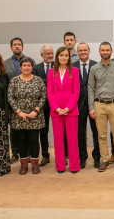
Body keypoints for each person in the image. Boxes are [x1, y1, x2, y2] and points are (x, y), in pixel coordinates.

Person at [88, 41, 114, 172]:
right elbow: (91, 88)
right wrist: (91, 107)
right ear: (99, 52)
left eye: (107, 50)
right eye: (102, 50)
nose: (105, 52)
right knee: (101, 135)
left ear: (111, 51)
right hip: (99, 104)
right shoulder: (94, 68)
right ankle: (104, 160)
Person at [8, 57, 47, 175]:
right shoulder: (14, 81)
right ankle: (24, 165)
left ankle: (35, 165)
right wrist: (19, 112)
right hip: (19, 117)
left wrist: (36, 110)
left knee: (34, 141)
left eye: (29, 65)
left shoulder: (38, 80)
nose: (26, 67)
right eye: (24, 65)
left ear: (32, 67)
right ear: (20, 67)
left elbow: (43, 96)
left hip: (35, 117)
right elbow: (10, 97)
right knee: (21, 141)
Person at [47, 46, 81, 174]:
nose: (64, 58)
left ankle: (74, 166)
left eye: (66, 55)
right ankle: (60, 166)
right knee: (58, 140)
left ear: (69, 57)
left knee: (72, 139)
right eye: (61, 55)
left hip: (71, 110)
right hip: (56, 111)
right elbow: (49, 92)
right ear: (57, 57)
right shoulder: (51, 72)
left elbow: (76, 92)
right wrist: (56, 108)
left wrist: (68, 108)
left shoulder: (75, 71)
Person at [4, 37, 35, 164]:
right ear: (11, 48)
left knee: (28, 128)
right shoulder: (5, 63)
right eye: (14, 45)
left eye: (19, 45)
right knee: (14, 129)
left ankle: (27, 153)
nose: (17, 46)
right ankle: (16, 153)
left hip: (28, 101)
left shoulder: (30, 61)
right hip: (13, 101)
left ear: (23, 47)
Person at [74, 43, 100, 169]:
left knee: (96, 132)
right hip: (78, 104)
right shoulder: (72, 66)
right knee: (80, 133)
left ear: (89, 51)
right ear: (77, 52)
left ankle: (97, 158)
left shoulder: (97, 65)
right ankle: (82, 158)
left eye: (85, 50)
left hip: (94, 103)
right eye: (80, 50)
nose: (83, 52)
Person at [32, 45, 55, 167]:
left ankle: (65, 154)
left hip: (57, 103)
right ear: (42, 55)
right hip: (42, 104)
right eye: (47, 54)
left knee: (61, 130)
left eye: (51, 53)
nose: (50, 55)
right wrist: (51, 81)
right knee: (43, 130)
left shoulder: (58, 66)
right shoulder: (36, 68)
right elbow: (37, 83)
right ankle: (45, 156)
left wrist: (45, 81)